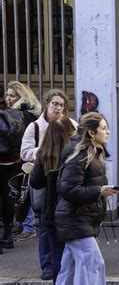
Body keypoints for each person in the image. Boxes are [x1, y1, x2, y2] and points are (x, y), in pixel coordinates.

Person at [20, 89, 77, 280]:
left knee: (59, 227)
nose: (58, 108)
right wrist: (45, 150)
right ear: (46, 104)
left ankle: (61, 266)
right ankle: (47, 264)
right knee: (46, 226)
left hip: (65, 185)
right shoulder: (35, 127)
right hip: (46, 182)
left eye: (62, 105)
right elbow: (25, 152)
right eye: (55, 104)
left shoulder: (71, 124)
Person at [55, 112, 117, 285]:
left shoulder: (92, 152)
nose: (108, 132)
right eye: (104, 128)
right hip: (75, 220)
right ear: (91, 133)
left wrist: (99, 191)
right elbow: (68, 189)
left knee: (71, 268)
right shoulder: (81, 154)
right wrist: (99, 191)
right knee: (93, 264)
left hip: (79, 219)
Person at [30, 116, 76, 282]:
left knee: (57, 256)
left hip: (51, 211)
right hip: (74, 211)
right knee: (78, 257)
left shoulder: (44, 153)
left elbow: (36, 183)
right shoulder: (76, 152)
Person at [0, 83, 39, 253]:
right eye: (7, 95)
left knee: (11, 198)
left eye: (12, 96)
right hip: (16, 162)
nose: (8, 99)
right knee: (10, 198)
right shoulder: (27, 115)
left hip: (15, 162)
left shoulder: (19, 116)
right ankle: (10, 232)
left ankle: (21, 229)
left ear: (22, 97)